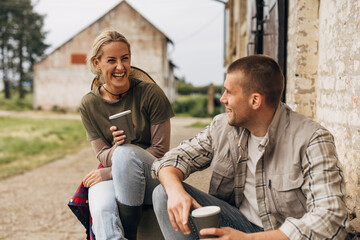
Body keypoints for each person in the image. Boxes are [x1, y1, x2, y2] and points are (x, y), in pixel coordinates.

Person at [151, 55, 348, 240]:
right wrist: (176, 191)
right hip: (239, 225)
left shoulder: (312, 139)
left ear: (255, 100)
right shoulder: (222, 127)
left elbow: (331, 218)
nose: (222, 99)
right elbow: (171, 160)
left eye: (229, 92)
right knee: (164, 192)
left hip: (282, 236)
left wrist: (248, 239)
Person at [69, 29, 174, 240]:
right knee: (101, 210)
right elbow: (102, 156)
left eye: (125, 58)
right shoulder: (89, 104)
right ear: (97, 63)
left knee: (125, 155)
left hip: (152, 173)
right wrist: (117, 149)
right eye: (112, 60)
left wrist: (112, 168)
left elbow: (161, 152)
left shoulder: (151, 94)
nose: (120, 66)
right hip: (113, 172)